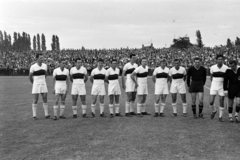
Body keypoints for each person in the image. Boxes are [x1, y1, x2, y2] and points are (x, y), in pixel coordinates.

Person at [29, 53, 51, 120]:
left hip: (43, 84)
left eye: (42, 57)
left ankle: (46, 114)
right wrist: (34, 83)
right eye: (40, 58)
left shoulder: (45, 66)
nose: (42, 59)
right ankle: (34, 115)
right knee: (35, 99)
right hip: (36, 84)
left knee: (45, 98)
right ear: (37, 58)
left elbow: (46, 74)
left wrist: (43, 80)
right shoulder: (33, 67)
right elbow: (30, 76)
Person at [209, 54, 228, 122]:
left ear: (223, 60)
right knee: (211, 102)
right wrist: (214, 83)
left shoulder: (226, 68)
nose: (220, 60)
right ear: (216, 60)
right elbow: (211, 77)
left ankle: (220, 116)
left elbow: (226, 79)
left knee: (221, 101)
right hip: (214, 85)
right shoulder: (212, 67)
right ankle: (214, 110)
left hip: (222, 86)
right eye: (219, 59)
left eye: (221, 59)